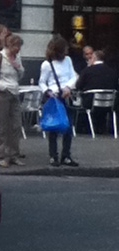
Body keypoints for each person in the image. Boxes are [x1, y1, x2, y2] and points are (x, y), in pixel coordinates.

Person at [38, 35, 79, 167]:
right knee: (54, 127)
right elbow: (42, 82)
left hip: (66, 96)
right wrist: (48, 92)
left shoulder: (68, 60)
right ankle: (53, 156)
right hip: (54, 97)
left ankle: (66, 155)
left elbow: (73, 76)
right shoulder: (46, 64)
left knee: (68, 126)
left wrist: (68, 87)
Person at [0, 33, 25, 167]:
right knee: (2, 125)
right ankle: (2, 155)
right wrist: (2, 86)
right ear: (9, 45)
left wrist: (17, 66)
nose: (18, 49)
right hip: (3, 92)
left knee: (16, 125)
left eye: (19, 46)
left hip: (15, 91)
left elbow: (21, 74)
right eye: (16, 46)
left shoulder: (17, 58)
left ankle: (14, 154)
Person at [75, 49, 118, 134]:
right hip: (110, 103)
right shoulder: (112, 72)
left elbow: (78, 86)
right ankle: (104, 128)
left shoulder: (87, 71)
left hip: (90, 102)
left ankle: (84, 128)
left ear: (94, 58)